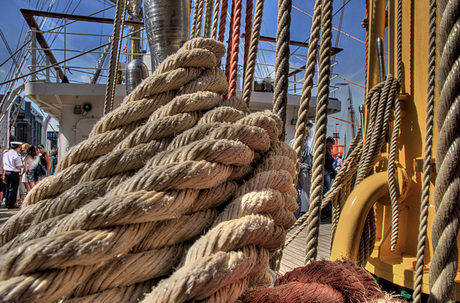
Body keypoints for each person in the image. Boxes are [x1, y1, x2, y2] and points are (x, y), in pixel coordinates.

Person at [289, 122, 314, 219]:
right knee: (307, 192)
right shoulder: (300, 143)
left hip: (296, 171)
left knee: (297, 192)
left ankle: (296, 214)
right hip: (302, 171)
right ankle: (310, 213)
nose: (308, 136)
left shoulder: (292, 141)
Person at [3, 142, 24, 209]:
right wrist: (22, 166)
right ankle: (11, 204)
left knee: (8, 188)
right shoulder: (16, 155)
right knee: (13, 189)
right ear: (17, 147)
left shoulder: (6, 154)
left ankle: (7, 203)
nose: (20, 149)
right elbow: (18, 166)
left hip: (7, 171)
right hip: (14, 172)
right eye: (20, 147)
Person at [322, 137, 335, 219]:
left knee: (327, 191)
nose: (330, 144)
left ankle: (327, 208)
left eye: (331, 143)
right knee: (327, 191)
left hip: (328, 173)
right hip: (325, 173)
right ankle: (328, 209)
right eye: (328, 142)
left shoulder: (328, 152)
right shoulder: (324, 152)